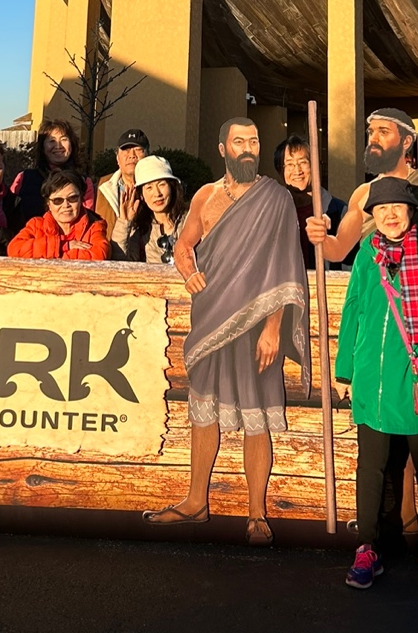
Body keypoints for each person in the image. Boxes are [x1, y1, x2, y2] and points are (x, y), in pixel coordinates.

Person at [144, 118, 310, 546]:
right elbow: (184, 245)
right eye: (239, 141)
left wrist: (273, 328)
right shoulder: (206, 195)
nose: (248, 147)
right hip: (211, 318)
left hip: (257, 324)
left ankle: (257, 514)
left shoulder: (276, 198)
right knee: (203, 412)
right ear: (223, 149)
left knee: (257, 418)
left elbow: (284, 264)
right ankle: (195, 501)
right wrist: (187, 271)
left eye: (254, 140)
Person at [337, 176, 418, 594]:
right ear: (373, 216)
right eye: (381, 209)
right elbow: (353, 310)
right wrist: (345, 371)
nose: (390, 215)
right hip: (372, 380)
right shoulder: (366, 255)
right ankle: (367, 548)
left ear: (411, 212)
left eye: (397, 207)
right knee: (371, 468)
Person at [306, 109, 418, 263]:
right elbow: (338, 251)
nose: (373, 139)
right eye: (371, 132)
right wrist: (321, 237)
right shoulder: (363, 193)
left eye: (383, 132)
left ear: (406, 142)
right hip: (376, 276)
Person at [274, 134, 349, 269]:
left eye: (303, 162)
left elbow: (349, 264)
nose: (297, 171)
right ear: (280, 171)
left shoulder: (337, 211)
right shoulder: (273, 213)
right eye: (290, 164)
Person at [7, 169, 110, 260]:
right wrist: (62, 245)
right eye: (58, 200)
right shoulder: (36, 225)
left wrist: (46, 256)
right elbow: (14, 249)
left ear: (81, 199)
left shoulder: (94, 226)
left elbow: (99, 255)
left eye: (72, 198)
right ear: (48, 203)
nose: (66, 205)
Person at [9, 119, 94, 228]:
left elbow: (86, 220)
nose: (58, 146)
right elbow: (9, 212)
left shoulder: (83, 182)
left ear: (72, 145)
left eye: (64, 139)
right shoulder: (24, 178)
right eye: (52, 141)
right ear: (43, 147)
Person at [119, 155, 189, 263]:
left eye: (162, 185)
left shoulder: (190, 220)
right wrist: (123, 223)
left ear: (172, 187)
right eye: (149, 188)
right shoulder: (140, 232)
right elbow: (119, 261)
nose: (157, 194)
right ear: (141, 195)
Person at [94, 128, 149, 240]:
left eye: (138, 149)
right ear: (117, 158)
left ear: (148, 155)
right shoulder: (99, 187)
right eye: (126, 150)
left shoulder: (158, 188)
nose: (132, 155)